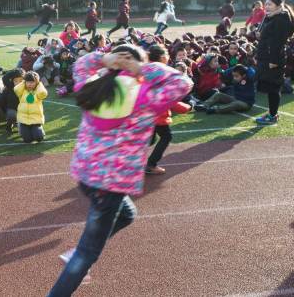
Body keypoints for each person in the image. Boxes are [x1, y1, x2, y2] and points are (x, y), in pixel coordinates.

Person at [47, 45, 192, 296]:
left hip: (86, 176)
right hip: (111, 184)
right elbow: (183, 82)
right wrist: (143, 67)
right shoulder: (145, 97)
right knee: (86, 254)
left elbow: (80, 65)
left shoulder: (93, 88)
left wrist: (105, 59)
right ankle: (73, 265)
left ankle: (77, 255)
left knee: (127, 214)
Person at [145, 45, 191, 175]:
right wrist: (187, 107)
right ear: (161, 57)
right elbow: (167, 97)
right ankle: (151, 164)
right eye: (166, 54)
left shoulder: (146, 69)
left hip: (145, 113)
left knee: (149, 139)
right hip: (157, 114)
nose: (168, 56)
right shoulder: (163, 72)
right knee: (166, 136)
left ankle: (132, 161)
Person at [255, 0, 294, 125]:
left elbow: (278, 42)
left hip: (274, 58)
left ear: (278, 5)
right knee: (270, 86)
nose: (266, 7)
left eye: (270, 4)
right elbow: (269, 36)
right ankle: (272, 112)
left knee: (273, 87)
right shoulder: (271, 17)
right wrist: (260, 34)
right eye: (266, 4)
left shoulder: (281, 19)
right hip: (266, 56)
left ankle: (272, 115)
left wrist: (274, 61)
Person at [14, 71, 48, 143]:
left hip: (35, 119)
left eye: (32, 82)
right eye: (28, 82)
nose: (30, 84)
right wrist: (23, 82)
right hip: (23, 119)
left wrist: (39, 84)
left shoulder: (38, 92)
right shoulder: (22, 91)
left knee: (39, 138)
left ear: (36, 83)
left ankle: (40, 131)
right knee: (27, 140)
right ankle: (23, 129)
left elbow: (43, 93)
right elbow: (16, 89)